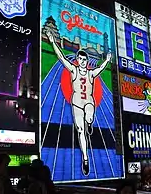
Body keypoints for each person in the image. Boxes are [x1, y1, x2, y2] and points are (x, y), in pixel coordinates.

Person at [46, 29, 112, 176]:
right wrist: (52, 42)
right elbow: (62, 58)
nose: (83, 62)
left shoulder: (91, 73)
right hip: (76, 103)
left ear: (87, 61)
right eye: (80, 59)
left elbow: (100, 68)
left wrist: (107, 60)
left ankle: (90, 122)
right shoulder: (74, 70)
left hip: (89, 102)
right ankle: (85, 158)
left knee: (89, 117)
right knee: (80, 131)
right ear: (77, 59)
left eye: (84, 60)